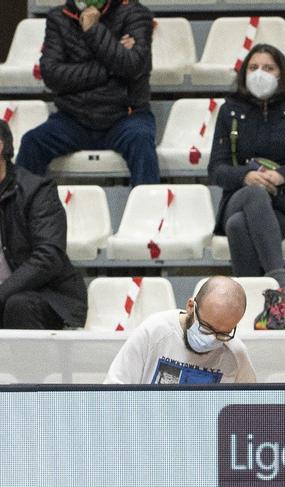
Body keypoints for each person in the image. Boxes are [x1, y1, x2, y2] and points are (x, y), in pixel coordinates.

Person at [208, 44, 285, 289]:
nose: (259, 73)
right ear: (244, 73)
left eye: (268, 68)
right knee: (254, 194)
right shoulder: (230, 110)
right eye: (253, 67)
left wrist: (281, 175)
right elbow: (216, 170)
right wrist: (247, 176)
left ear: (281, 73)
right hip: (239, 197)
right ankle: (282, 286)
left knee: (238, 226)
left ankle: (251, 303)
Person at [16, 0, 159, 186]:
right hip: (74, 119)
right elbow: (52, 75)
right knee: (32, 142)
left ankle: (148, 213)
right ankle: (17, 213)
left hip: (126, 116)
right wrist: (111, 66)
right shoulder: (58, 18)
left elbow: (133, 66)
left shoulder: (135, 13)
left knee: (142, 141)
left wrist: (94, 29)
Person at [0, 120, 87, 330]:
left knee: (18, 305)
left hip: (45, 294)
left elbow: (49, 257)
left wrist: (2, 293)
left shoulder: (37, 190)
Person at [103, 276, 255, 384]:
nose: (212, 339)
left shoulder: (236, 353)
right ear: (190, 307)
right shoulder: (154, 331)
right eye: (206, 327)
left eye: (223, 334)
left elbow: (249, 411)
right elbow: (115, 388)